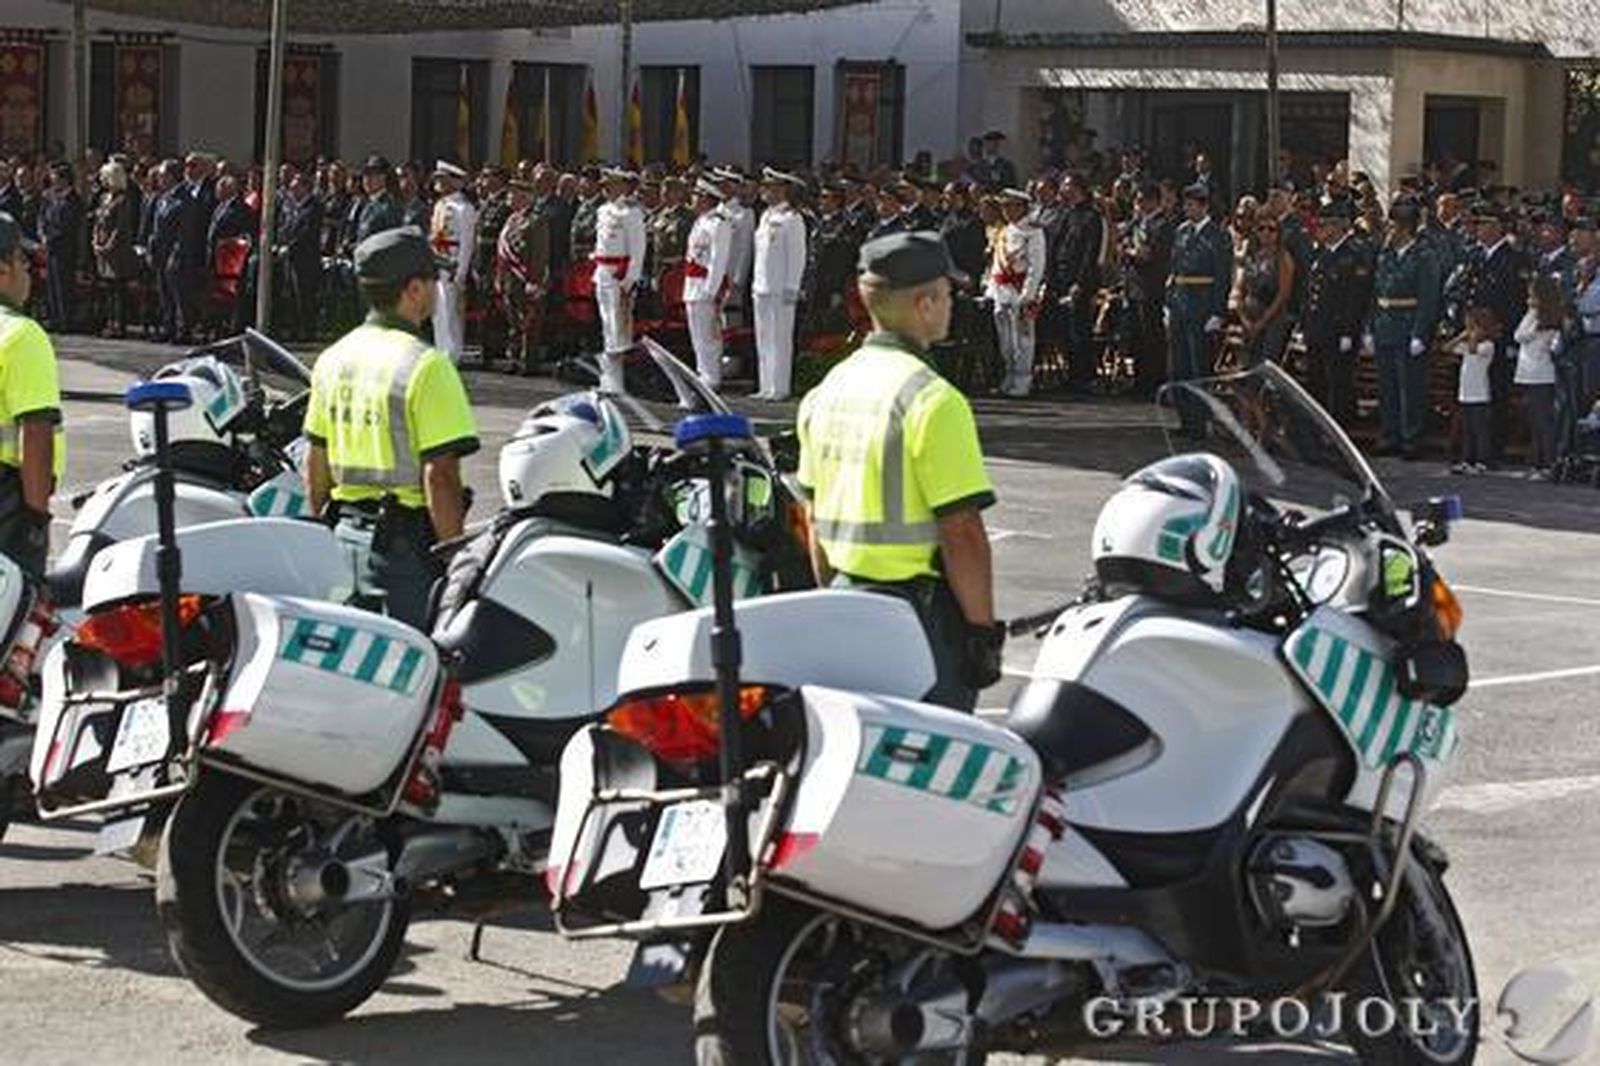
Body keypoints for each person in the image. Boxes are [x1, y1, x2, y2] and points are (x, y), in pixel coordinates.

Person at [796, 231, 1002, 711]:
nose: (952, 304)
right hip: (920, 621)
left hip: (847, 601)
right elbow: (961, 529)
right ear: (925, 304)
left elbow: (813, 518)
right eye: (947, 294)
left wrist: (832, 598)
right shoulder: (933, 399)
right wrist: (982, 631)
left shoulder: (828, 390)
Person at [303, 227, 478, 628]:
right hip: (405, 552)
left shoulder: (333, 358)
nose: (437, 289)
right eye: (433, 279)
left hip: (345, 538)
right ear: (413, 290)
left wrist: (321, 529)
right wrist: (455, 560)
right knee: (415, 656)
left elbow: (316, 464)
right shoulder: (427, 366)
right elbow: (440, 476)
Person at [0, 212, 62, 579]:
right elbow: (36, 432)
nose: (29, 273)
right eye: (23, 261)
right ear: (3, 270)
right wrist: (36, 520)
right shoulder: (22, 335)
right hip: (8, 504)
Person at [1366, 199, 1441, 457]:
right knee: (1387, 386)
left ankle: (1411, 437)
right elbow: (1374, 294)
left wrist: (1420, 332)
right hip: (1385, 325)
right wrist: (1369, 327)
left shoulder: (1424, 256)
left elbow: (1428, 298)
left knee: (1410, 387)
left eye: (1392, 225)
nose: (1388, 230)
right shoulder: (1385, 255)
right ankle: (1390, 434)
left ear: (1405, 227)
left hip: (1408, 326)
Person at [1165, 183, 1232, 435]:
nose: (1187, 209)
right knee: (1180, 366)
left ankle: (1199, 422)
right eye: (1186, 204)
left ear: (1204, 206)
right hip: (1180, 301)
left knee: (1198, 367)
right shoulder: (1182, 231)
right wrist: (1169, 301)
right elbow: (1174, 268)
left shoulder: (1217, 235)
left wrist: (1217, 312)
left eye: (1192, 205)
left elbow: (1222, 276)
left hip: (1202, 303)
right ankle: (1185, 420)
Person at [1301, 199, 1371, 427]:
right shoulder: (1319, 253)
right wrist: (1305, 325)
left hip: (1338, 329)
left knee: (1339, 383)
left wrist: (1348, 332)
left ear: (1340, 226)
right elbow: (1311, 292)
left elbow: (1355, 298)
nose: (1320, 229)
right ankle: (1319, 429)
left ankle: (1341, 428)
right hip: (1317, 328)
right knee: (1316, 381)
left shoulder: (1353, 255)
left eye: (1325, 224)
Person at [750, 167, 808, 401]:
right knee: (763, 337)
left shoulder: (792, 219)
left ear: (782, 189)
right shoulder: (766, 216)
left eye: (769, 186)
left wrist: (792, 286)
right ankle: (766, 385)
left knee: (780, 338)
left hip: (780, 287)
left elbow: (797, 255)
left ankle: (780, 387)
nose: (764, 190)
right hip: (762, 285)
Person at [592, 167, 647, 393]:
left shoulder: (631, 212)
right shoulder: (603, 210)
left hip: (619, 274)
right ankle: (609, 379)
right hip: (603, 271)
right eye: (605, 184)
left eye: (611, 184)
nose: (606, 188)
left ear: (623, 186)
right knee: (607, 324)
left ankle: (618, 381)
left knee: (619, 328)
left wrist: (630, 279)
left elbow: (638, 248)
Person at [987, 188, 1046, 397]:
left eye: (1010, 206)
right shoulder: (1005, 231)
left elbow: (1036, 266)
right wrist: (991, 290)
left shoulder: (1033, 232)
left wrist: (1028, 295)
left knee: (1022, 338)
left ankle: (1023, 380)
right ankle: (1009, 375)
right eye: (1004, 206)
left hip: (1020, 289)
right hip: (1001, 290)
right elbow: (996, 265)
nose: (1006, 210)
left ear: (1022, 207)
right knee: (1006, 340)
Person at [494, 178, 551, 374]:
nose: (509, 197)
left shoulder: (536, 220)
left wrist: (534, 281)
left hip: (526, 277)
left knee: (529, 322)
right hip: (510, 277)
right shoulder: (512, 219)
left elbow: (540, 254)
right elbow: (502, 252)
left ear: (524, 197)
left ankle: (528, 361)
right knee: (513, 321)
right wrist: (500, 276)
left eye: (513, 193)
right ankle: (514, 358)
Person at [682, 178, 733, 388]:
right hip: (693, 285)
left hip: (705, 285)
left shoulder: (719, 224)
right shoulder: (700, 221)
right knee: (697, 336)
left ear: (706, 198)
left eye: (696, 195)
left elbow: (718, 260)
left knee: (709, 336)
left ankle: (712, 377)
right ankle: (702, 374)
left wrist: (711, 290)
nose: (692, 199)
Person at [1234, 208, 1296, 369]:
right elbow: (1240, 287)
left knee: (1265, 366)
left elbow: (1283, 294)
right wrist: (1244, 318)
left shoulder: (1283, 257)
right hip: (1249, 314)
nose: (1266, 233)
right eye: (1261, 228)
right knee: (1247, 364)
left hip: (1272, 316)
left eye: (1271, 229)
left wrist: (1261, 323)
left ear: (1278, 232)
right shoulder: (1252, 254)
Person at [429, 161, 477, 364]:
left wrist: (461, 273)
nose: (438, 182)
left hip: (451, 265)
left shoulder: (464, 208)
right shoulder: (440, 205)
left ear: (454, 181)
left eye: (443, 179)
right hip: (436, 263)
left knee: (451, 312)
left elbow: (467, 243)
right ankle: (442, 349)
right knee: (438, 312)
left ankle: (452, 353)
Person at [1515, 274, 1563, 478]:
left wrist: (1533, 314)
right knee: (1534, 420)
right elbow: (1518, 334)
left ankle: (1548, 464)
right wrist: (1531, 311)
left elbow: (1521, 335)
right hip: (1529, 372)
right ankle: (1537, 462)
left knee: (1543, 421)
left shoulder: (1545, 318)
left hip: (1541, 374)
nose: (1529, 300)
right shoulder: (1532, 314)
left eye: (1532, 296)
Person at [92, 161, 141, 339]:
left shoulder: (123, 200)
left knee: (118, 289)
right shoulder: (104, 197)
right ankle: (110, 322)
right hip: (102, 248)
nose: (102, 179)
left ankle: (119, 324)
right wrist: (95, 241)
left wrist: (108, 245)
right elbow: (98, 221)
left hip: (117, 250)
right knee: (108, 288)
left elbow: (120, 227)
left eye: (105, 176)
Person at [1449, 306, 1497, 475]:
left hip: (1480, 394)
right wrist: (1460, 336)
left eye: (1473, 327)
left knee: (1480, 430)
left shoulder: (1488, 346)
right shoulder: (1467, 344)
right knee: (1467, 429)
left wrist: (1473, 337)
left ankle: (1482, 460)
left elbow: (1472, 350)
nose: (1470, 331)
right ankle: (1467, 459)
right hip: (1465, 394)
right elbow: (1448, 348)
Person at [38, 162, 82, 333]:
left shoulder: (73, 200)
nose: (53, 182)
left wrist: (51, 237)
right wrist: (43, 234)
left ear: (65, 180)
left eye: (55, 179)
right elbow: (43, 217)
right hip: (51, 247)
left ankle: (65, 320)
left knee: (64, 285)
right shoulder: (52, 198)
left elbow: (67, 226)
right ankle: (54, 317)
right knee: (52, 284)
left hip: (65, 248)